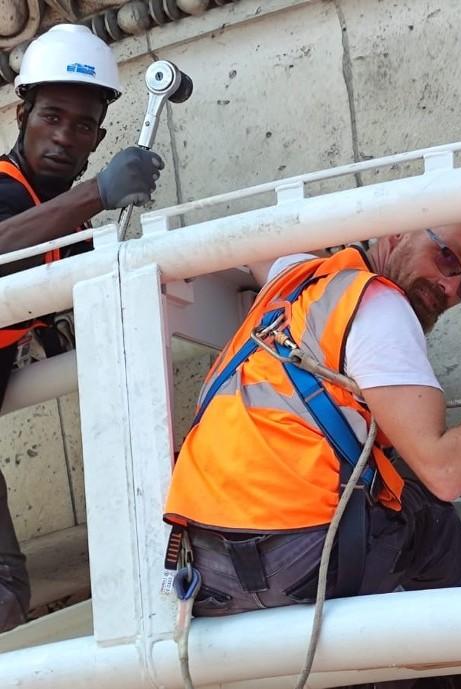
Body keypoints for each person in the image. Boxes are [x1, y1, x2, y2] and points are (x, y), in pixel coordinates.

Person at [164, 219, 461, 688]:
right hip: (294, 561)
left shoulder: (295, 282)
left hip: (205, 572)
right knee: (426, 515)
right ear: (396, 233)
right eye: (447, 257)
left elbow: (261, 247)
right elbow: (445, 471)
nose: (450, 287)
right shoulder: (381, 306)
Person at [0, 23, 165, 633]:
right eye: (52, 116)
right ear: (22, 114)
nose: (65, 136)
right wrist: (98, 193)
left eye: (84, 125)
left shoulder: (54, 212)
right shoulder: (9, 192)